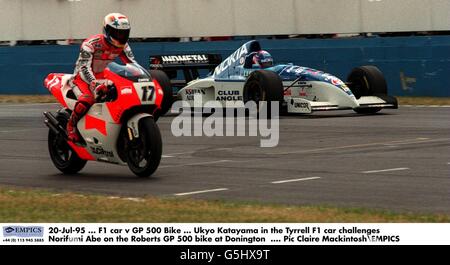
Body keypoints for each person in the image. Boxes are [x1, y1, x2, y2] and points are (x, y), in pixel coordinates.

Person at [67, 13, 136, 142]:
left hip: (105, 76)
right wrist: (94, 83)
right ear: (107, 31)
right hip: (82, 78)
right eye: (117, 33)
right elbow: (84, 68)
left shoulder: (124, 46)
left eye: (124, 33)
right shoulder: (91, 44)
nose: (121, 37)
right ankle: (71, 125)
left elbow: (132, 64)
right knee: (87, 99)